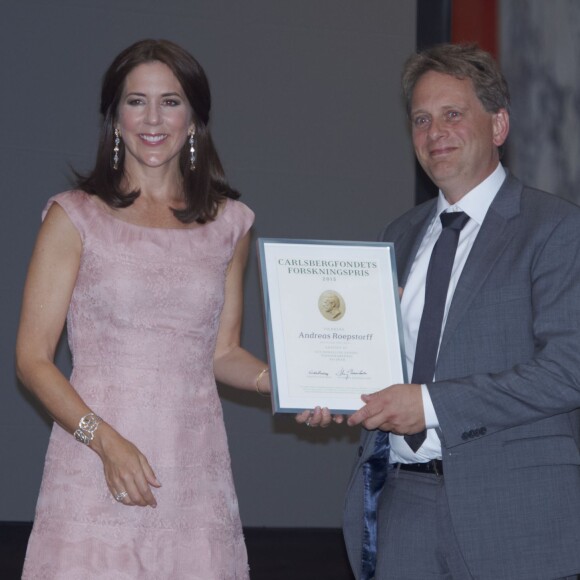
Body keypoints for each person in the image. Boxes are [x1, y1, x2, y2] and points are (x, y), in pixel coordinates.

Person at [300, 43, 580, 579]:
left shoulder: (556, 228)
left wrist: (430, 406)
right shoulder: (397, 237)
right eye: (421, 119)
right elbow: (384, 365)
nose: (435, 133)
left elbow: (567, 371)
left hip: (516, 510)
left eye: (453, 114)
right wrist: (336, 391)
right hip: (403, 506)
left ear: (499, 126)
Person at [16, 39, 270, 579]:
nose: (153, 119)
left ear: (195, 118)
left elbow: (221, 353)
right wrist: (104, 441)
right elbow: (32, 360)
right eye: (136, 101)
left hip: (193, 474)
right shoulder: (74, 217)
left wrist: (287, 381)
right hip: (92, 464)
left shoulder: (229, 224)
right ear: (115, 117)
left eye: (171, 101)